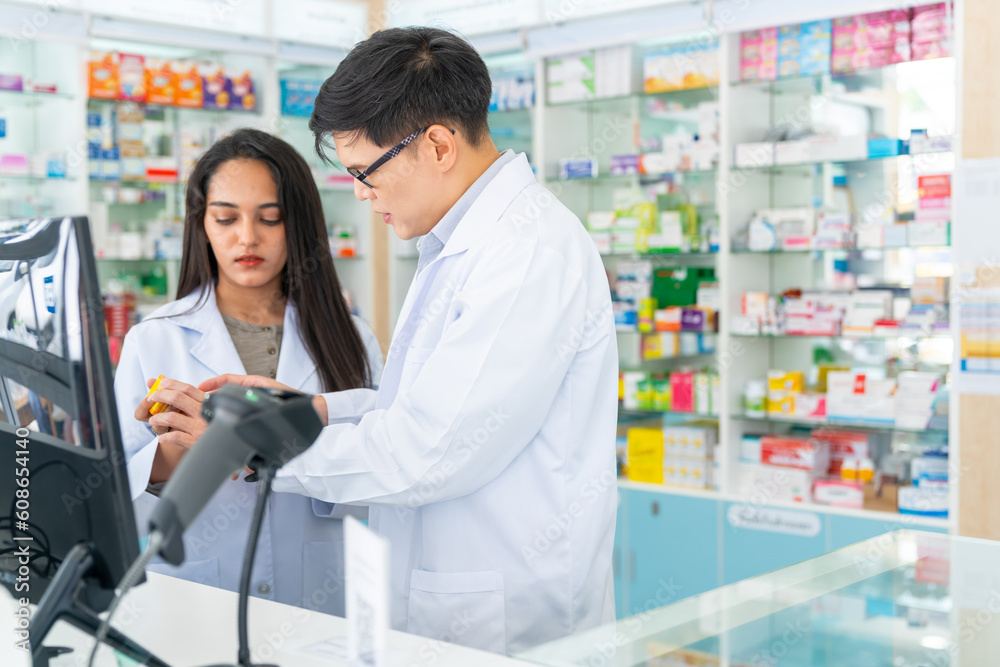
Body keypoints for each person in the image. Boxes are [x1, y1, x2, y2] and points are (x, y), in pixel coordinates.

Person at [202, 28, 618, 655]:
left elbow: (428, 450)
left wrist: (264, 451)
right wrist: (309, 410)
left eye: (365, 172)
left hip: (508, 619)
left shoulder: (524, 253)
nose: (362, 195)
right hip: (454, 603)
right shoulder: (456, 244)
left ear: (439, 146)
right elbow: (423, 407)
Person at [115, 128, 383, 616]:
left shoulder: (352, 339)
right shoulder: (156, 338)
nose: (247, 237)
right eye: (225, 218)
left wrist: (262, 447)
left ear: (297, 224)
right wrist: (182, 450)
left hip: (319, 596)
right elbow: (119, 486)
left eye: (270, 218)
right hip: (197, 597)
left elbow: (382, 473)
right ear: (203, 225)